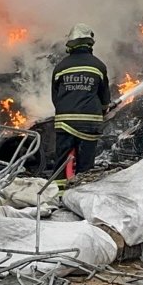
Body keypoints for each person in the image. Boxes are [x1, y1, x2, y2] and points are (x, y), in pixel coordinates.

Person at [50, 23, 111, 189]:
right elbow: (105, 97)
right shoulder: (98, 66)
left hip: (64, 121)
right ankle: (81, 193)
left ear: (70, 45)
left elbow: (55, 96)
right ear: (90, 44)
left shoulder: (60, 67)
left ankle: (59, 194)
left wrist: (66, 109)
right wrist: (103, 110)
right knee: (85, 164)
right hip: (89, 121)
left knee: (62, 161)